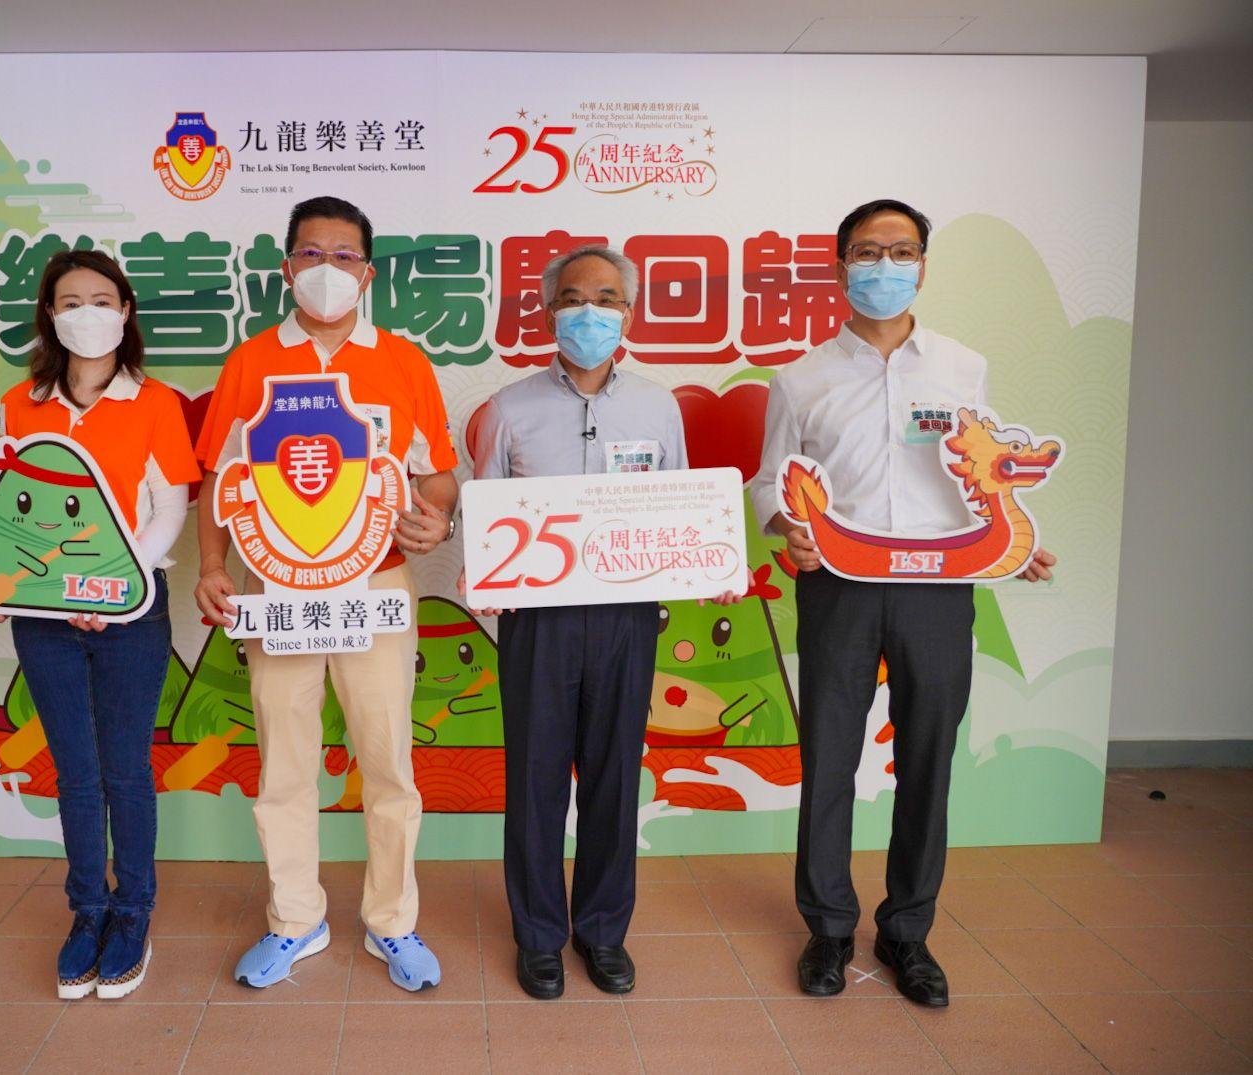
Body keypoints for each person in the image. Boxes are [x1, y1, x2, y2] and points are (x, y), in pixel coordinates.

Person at [752, 199, 1057, 1007]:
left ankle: (906, 931)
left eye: (901, 250)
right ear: (839, 265)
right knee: (828, 757)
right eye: (866, 251)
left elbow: (976, 473)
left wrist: (1013, 545)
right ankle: (827, 927)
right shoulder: (800, 377)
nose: (883, 265)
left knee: (926, 757)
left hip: (937, 588)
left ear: (922, 263)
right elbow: (768, 479)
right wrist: (786, 524)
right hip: (838, 586)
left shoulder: (961, 367)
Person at [192, 196, 460, 992]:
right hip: (276, 585)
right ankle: (294, 919)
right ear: (286, 269)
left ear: (367, 274)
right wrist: (211, 564)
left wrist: (437, 516)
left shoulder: (402, 361)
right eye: (311, 253)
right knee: (285, 761)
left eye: (344, 256)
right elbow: (215, 478)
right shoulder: (251, 361)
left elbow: (437, 472)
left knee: (387, 758)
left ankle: (392, 921)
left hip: (375, 583)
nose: (327, 269)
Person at [464, 245, 746, 1000]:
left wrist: (712, 565)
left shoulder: (657, 406)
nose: (589, 313)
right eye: (573, 299)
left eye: (606, 299)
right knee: (534, 778)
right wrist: (482, 572)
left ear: (628, 312)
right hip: (538, 621)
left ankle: (601, 931)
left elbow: (681, 507)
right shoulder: (509, 408)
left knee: (616, 775)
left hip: (627, 615)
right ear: (548, 311)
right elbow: (485, 509)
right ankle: (538, 936)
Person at [0, 248, 199, 1000]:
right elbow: (6, 513)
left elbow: (169, 510)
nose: (87, 314)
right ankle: (87, 911)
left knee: (125, 770)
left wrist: (110, 588)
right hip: (42, 619)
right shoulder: (19, 404)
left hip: (130, 613)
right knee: (75, 771)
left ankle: (132, 913)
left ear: (125, 311)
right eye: (70, 302)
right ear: (49, 314)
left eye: (102, 300)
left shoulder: (156, 403)